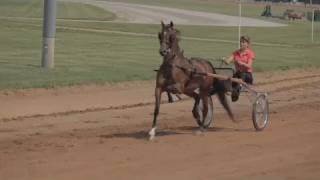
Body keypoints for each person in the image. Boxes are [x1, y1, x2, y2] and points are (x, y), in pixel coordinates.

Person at [223, 35, 255, 102]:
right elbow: (228, 61)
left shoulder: (250, 53)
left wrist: (242, 63)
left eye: (243, 42)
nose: (241, 43)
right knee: (233, 76)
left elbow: (249, 66)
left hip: (247, 75)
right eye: (241, 42)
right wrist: (225, 60)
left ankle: (236, 91)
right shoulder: (235, 53)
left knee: (242, 75)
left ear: (247, 44)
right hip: (238, 74)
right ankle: (234, 92)